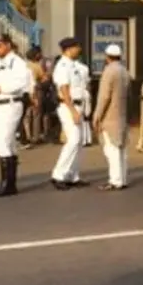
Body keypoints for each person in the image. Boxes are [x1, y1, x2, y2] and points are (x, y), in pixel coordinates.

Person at [0, 34, 32, 197]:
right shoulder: (0, 63)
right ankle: (9, 182)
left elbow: (21, 82)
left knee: (3, 142)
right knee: (9, 143)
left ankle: (7, 184)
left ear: (8, 45)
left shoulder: (17, 62)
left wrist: (0, 88)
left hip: (10, 103)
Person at [50, 37, 91, 190]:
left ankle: (72, 175)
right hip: (68, 106)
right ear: (69, 49)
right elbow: (64, 90)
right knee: (73, 140)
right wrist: (73, 110)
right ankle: (58, 174)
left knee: (79, 142)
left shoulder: (75, 65)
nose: (79, 49)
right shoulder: (62, 66)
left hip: (79, 105)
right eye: (76, 47)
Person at [93, 44, 132, 191]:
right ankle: (122, 178)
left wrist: (97, 115)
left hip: (110, 116)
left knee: (111, 150)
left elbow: (104, 96)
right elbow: (130, 95)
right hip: (122, 115)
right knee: (122, 149)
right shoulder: (125, 71)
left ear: (107, 56)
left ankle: (115, 180)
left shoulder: (109, 72)